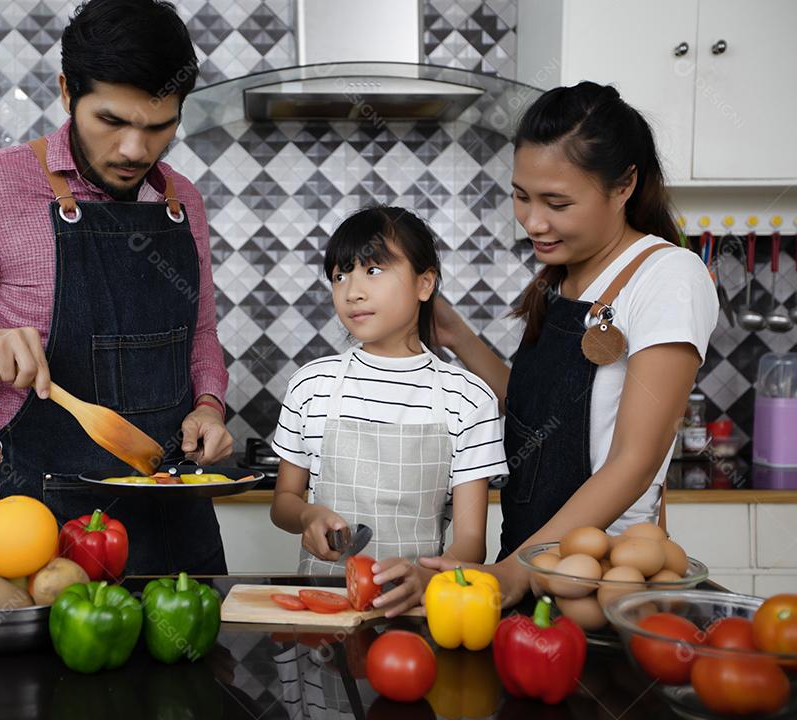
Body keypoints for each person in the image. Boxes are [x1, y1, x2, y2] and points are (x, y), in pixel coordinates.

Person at [0, 0, 234, 575]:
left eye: (159, 126)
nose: (136, 150)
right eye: (112, 122)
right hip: (45, 524)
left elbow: (202, 332)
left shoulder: (181, 200)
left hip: (176, 515)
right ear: (68, 92)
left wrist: (209, 406)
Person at [422, 82, 719, 606]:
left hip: (601, 580)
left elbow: (635, 458)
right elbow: (538, 416)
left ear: (624, 184)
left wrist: (515, 573)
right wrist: (456, 337)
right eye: (520, 196)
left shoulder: (668, 276)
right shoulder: (565, 277)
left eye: (556, 202)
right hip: (527, 559)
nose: (534, 222)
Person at [270, 207, 508, 617]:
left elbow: (472, 541)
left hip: (417, 610)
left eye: (373, 270)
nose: (352, 291)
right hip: (322, 608)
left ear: (425, 283)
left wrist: (426, 580)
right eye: (340, 275)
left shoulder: (468, 398)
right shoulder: (310, 385)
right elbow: (283, 503)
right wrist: (308, 514)